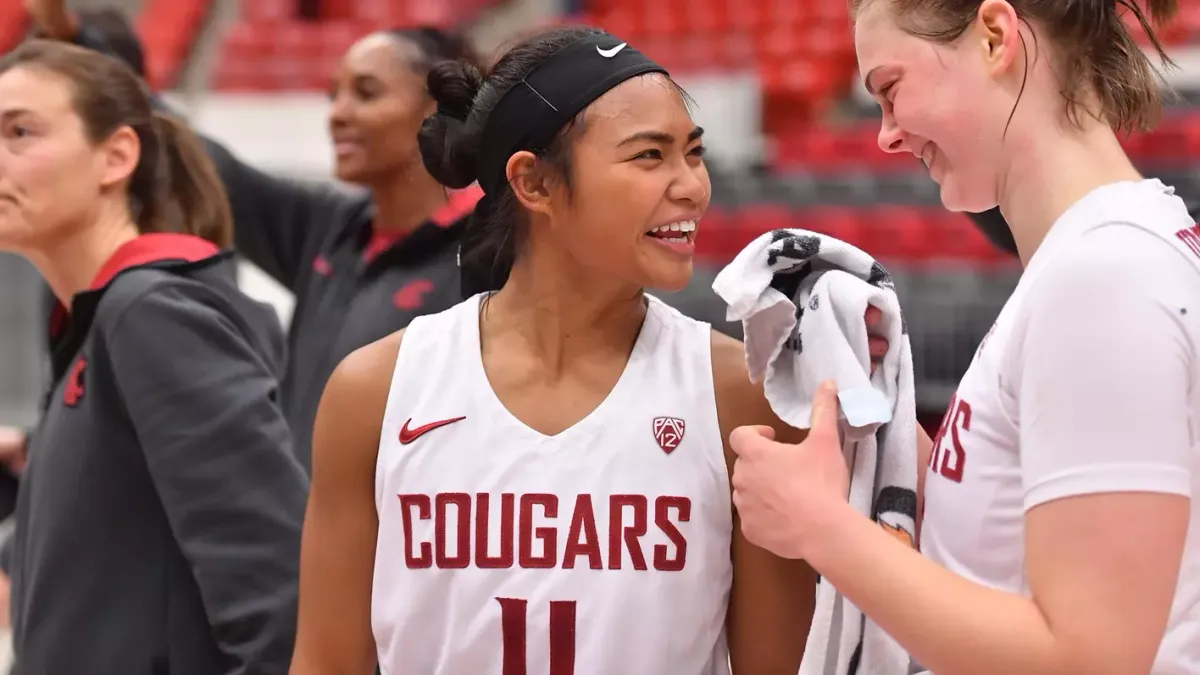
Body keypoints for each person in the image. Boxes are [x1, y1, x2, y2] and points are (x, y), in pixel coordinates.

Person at [288, 25, 888, 675]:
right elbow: (324, 661)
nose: (693, 185)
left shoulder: (738, 393)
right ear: (535, 183)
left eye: (693, 152)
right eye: (650, 156)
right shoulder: (375, 390)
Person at [23, 0, 740, 469]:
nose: (336, 113)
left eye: (365, 93)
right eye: (334, 91)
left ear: (435, 110)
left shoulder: (507, 253)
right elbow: (201, 157)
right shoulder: (325, 230)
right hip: (320, 567)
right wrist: (92, 62)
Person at [730, 1, 1200, 674]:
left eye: (891, 90)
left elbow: (1091, 656)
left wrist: (820, 526)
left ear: (993, 37)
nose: (886, 134)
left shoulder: (1102, 274)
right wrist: (883, 439)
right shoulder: (1104, 254)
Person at [0, 40, 307, 674]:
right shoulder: (101, 318)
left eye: (19, 132)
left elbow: (276, 584)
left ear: (116, 156)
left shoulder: (150, 313)